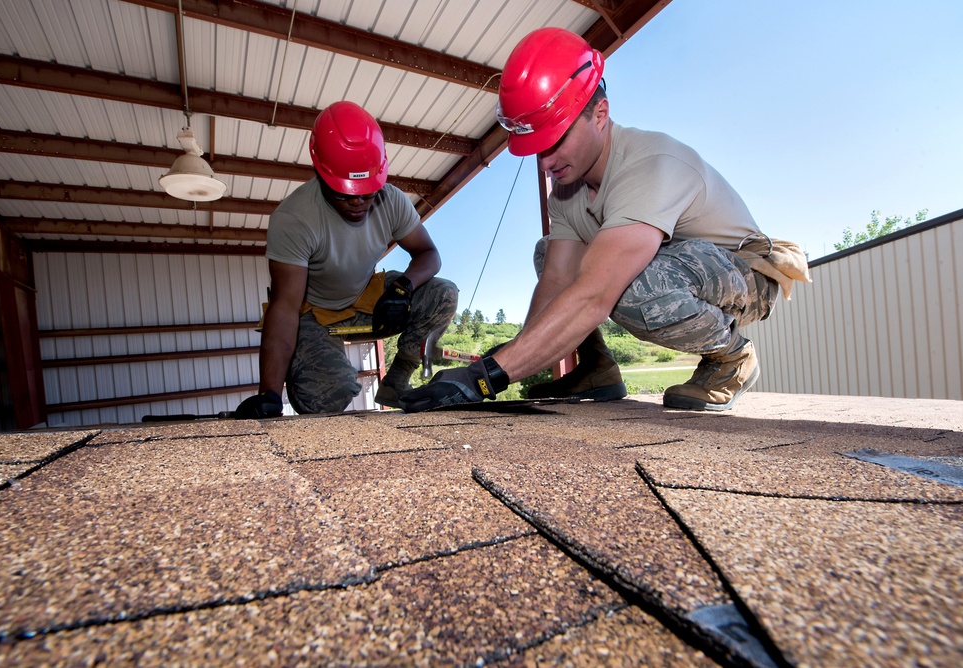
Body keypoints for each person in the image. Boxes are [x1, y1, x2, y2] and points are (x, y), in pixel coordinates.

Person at [400, 28, 809, 414]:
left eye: (555, 141)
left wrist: (482, 377)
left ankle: (731, 357)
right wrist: (513, 355)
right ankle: (598, 369)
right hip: (672, 266)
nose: (545, 163)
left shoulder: (649, 165)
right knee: (551, 253)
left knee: (624, 282)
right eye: (536, 148)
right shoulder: (566, 190)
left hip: (745, 275)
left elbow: (597, 293)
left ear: (600, 113)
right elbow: (558, 282)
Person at [235, 101, 458, 418]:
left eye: (367, 193)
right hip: (312, 316)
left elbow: (428, 254)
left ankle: (396, 382)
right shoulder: (294, 219)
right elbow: (284, 307)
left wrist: (403, 288)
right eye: (345, 193)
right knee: (324, 399)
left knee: (442, 294)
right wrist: (268, 394)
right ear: (319, 171)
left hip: (367, 304)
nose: (358, 203)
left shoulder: (391, 200)